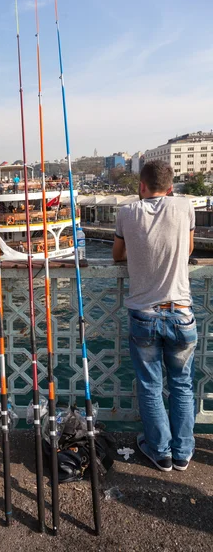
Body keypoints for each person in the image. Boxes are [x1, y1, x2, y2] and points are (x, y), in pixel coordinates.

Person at [113, 160, 197, 472]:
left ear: (141, 185)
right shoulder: (185, 206)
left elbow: (117, 255)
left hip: (144, 315)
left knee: (149, 385)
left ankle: (159, 452)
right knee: (182, 384)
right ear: (171, 187)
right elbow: (187, 249)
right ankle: (182, 452)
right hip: (181, 312)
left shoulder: (126, 212)